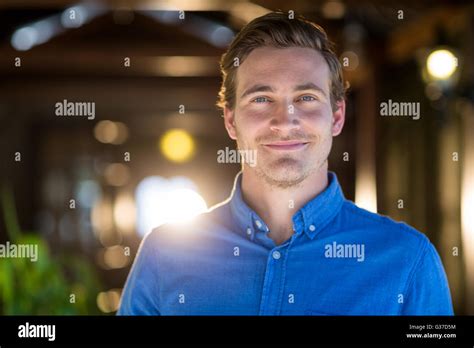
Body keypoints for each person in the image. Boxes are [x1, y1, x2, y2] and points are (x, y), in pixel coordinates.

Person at [118, 11, 453, 315]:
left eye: (306, 98)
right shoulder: (163, 255)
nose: (284, 121)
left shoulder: (408, 261)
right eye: (261, 99)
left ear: (337, 116)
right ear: (231, 121)